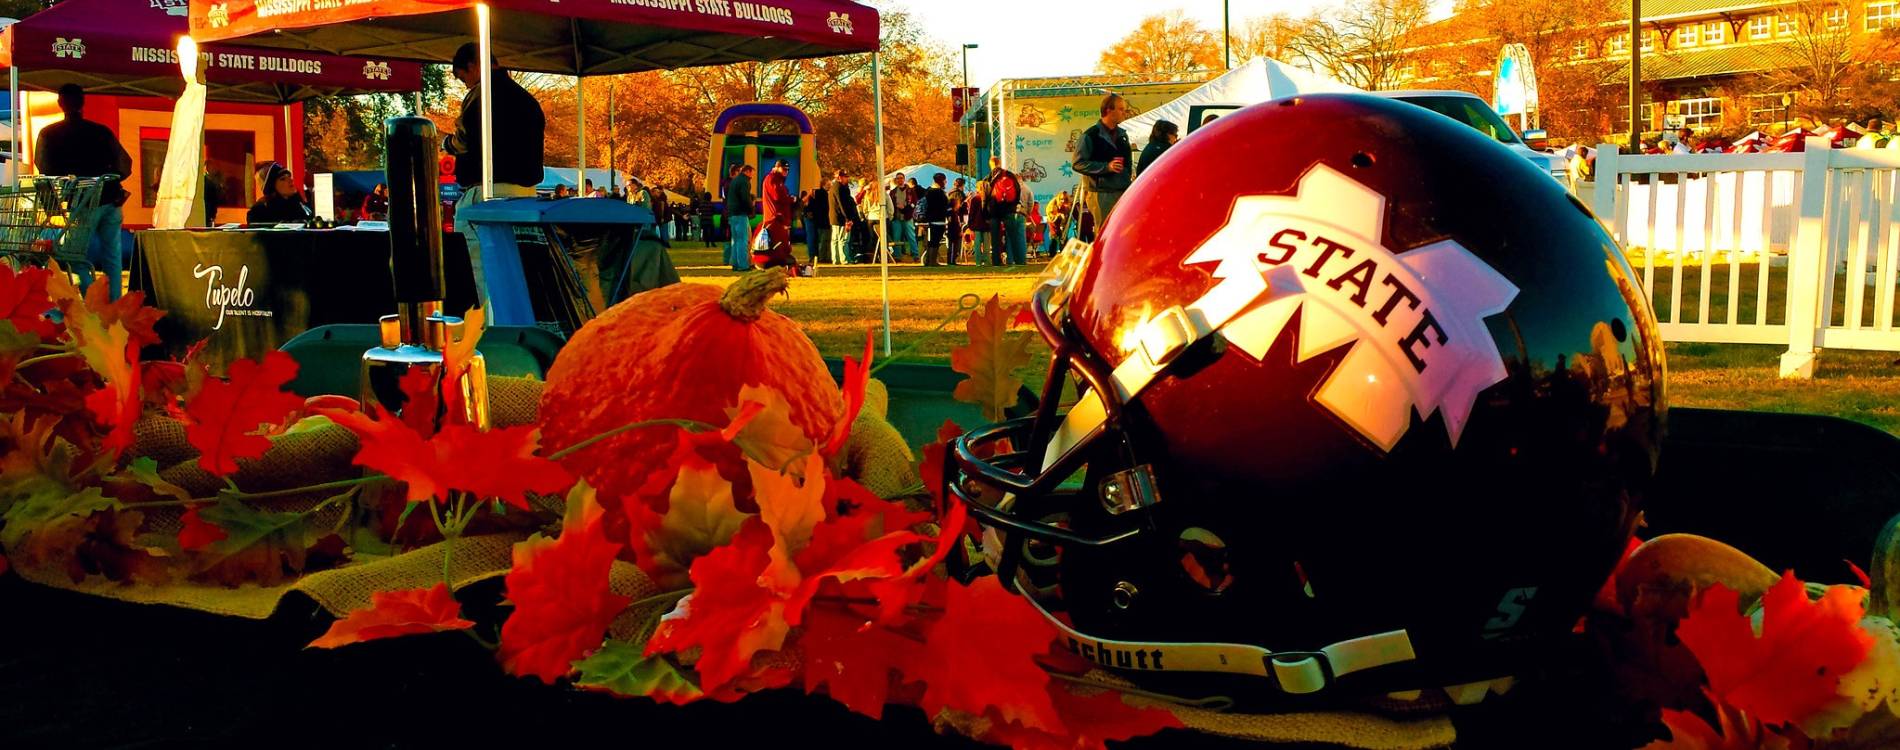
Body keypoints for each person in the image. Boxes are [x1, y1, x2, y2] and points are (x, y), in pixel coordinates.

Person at [444, 41, 546, 311]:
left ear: (473, 66)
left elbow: (464, 140)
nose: (465, 85)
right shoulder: (527, 100)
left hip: (487, 194)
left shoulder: (481, 96)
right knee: (518, 269)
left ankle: (490, 326)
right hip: (525, 197)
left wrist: (447, 144)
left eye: (463, 77)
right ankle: (514, 324)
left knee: (481, 269)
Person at [35, 83, 131, 300]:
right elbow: (125, 164)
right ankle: (114, 303)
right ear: (83, 102)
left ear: (60, 103)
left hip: (82, 201)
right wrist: (109, 179)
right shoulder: (102, 132)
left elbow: (45, 168)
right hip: (111, 199)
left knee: (72, 254)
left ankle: (93, 298)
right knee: (113, 256)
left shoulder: (50, 134)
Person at [1073, 93, 1133, 229]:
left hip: (1122, 190)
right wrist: (1106, 167)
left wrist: (1127, 177)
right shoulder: (1090, 135)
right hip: (1101, 193)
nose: (1125, 113)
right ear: (1108, 110)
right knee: (1105, 231)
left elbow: (1128, 162)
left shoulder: (1123, 135)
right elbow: (1078, 163)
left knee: (1123, 230)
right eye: (1121, 109)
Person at [753, 159, 795, 270]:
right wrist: (791, 199)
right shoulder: (772, 179)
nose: (786, 172)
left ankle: (780, 263)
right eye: (784, 169)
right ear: (776, 168)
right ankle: (776, 263)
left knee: (781, 243)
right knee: (778, 243)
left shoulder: (777, 180)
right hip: (775, 218)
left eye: (787, 170)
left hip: (779, 217)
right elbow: (777, 196)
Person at [986, 156, 1026, 266]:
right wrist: (1014, 204)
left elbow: (985, 196)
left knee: (995, 239)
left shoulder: (988, 178)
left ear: (990, 164)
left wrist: (987, 212)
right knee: (1013, 236)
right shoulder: (1009, 175)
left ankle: (996, 261)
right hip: (1009, 209)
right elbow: (1017, 190)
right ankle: (1019, 261)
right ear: (999, 163)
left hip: (994, 211)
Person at [247, 162, 312, 225]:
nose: (290, 180)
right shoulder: (260, 212)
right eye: (283, 179)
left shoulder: (298, 203)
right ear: (271, 187)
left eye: (289, 176)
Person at [723, 163, 755, 271]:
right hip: (741, 213)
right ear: (747, 171)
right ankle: (743, 265)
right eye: (751, 173)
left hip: (732, 213)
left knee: (735, 240)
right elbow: (745, 198)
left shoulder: (734, 181)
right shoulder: (744, 182)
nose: (752, 176)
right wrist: (750, 209)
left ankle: (735, 263)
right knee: (743, 240)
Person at [919, 172, 951, 267]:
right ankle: (932, 261)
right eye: (945, 180)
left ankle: (929, 260)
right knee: (935, 241)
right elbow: (945, 206)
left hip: (929, 219)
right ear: (942, 181)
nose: (946, 182)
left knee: (931, 241)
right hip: (938, 219)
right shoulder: (939, 193)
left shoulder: (928, 191)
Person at [828, 169, 859, 264]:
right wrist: (848, 219)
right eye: (845, 177)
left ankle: (836, 259)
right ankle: (844, 259)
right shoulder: (840, 188)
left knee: (835, 239)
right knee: (843, 239)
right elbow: (842, 204)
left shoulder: (833, 187)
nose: (847, 179)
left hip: (835, 217)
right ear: (839, 177)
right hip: (841, 218)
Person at [886, 174, 917, 261]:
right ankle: (897, 256)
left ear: (904, 179)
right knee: (896, 238)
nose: (900, 180)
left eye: (901, 178)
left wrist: (905, 208)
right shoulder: (893, 192)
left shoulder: (910, 191)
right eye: (898, 178)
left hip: (907, 217)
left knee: (911, 237)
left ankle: (915, 255)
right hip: (897, 218)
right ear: (896, 180)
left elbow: (914, 203)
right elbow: (890, 204)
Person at [966, 180, 993, 266]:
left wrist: (970, 225)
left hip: (977, 225)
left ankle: (978, 262)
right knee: (986, 245)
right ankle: (987, 261)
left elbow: (971, 214)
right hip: (987, 225)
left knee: (977, 245)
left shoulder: (975, 199)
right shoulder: (990, 199)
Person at [803, 181, 830, 264]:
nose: (830, 186)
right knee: (813, 238)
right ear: (823, 185)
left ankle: (815, 256)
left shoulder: (819, 193)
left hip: (814, 218)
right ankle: (814, 257)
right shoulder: (820, 193)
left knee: (814, 238)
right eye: (828, 185)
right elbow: (804, 202)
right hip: (812, 218)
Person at [946, 177, 967, 264]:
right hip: (956, 219)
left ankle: (952, 259)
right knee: (955, 240)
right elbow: (959, 208)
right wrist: (965, 202)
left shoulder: (950, 193)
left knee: (953, 240)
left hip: (952, 219)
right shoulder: (958, 194)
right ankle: (952, 260)